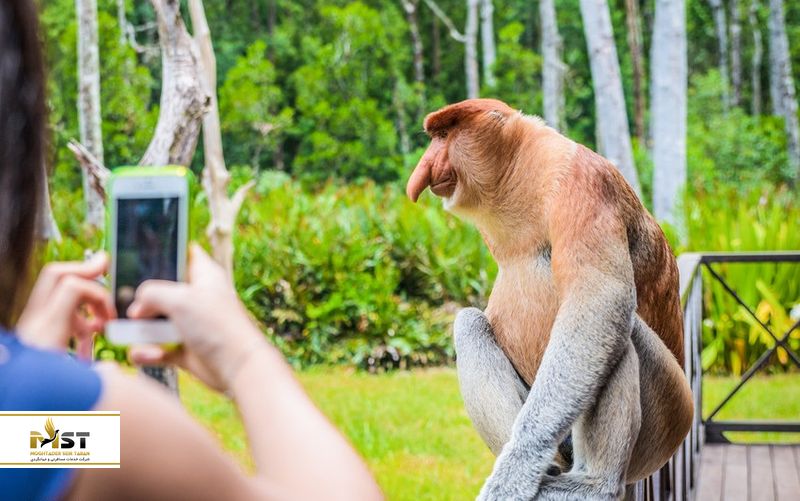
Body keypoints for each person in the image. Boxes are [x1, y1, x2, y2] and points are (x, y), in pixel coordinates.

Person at [0, 1, 384, 500]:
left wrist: (28, 373)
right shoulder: (63, 417)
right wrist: (244, 358)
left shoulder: (30, 429)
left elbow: (22, 446)